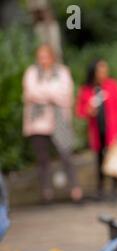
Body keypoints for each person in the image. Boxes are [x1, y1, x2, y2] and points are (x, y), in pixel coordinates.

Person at [22, 44, 82, 203]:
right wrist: (52, 94)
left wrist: (43, 94)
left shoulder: (62, 72)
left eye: (46, 56)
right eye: (40, 57)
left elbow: (66, 95)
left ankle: (75, 190)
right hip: (38, 123)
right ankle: (46, 193)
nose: (43, 60)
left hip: (59, 121)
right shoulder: (32, 72)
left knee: (66, 155)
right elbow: (30, 93)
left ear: (52, 57)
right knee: (43, 159)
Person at [76, 59, 117, 200]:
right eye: (100, 70)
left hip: (113, 130)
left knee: (114, 159)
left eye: (105, 70)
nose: (103, 73)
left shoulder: (112, 85)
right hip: (97, 131)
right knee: (99, 161)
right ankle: (100, 190)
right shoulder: (86, 89)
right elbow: (80, 111)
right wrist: (89, 110)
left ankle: (115, 190)